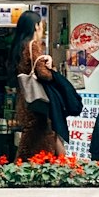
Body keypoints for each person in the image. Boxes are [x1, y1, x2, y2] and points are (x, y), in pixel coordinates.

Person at [8, 11, 59, 157]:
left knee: (32, 138)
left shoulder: (19, 47)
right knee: (37, 140)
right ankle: (22, 171)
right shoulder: (33, 45)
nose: (43, 29)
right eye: (41, 25)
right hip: (38, 103)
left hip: (25, 101)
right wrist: (52, 69)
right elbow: (43, 74)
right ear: (36, 26)